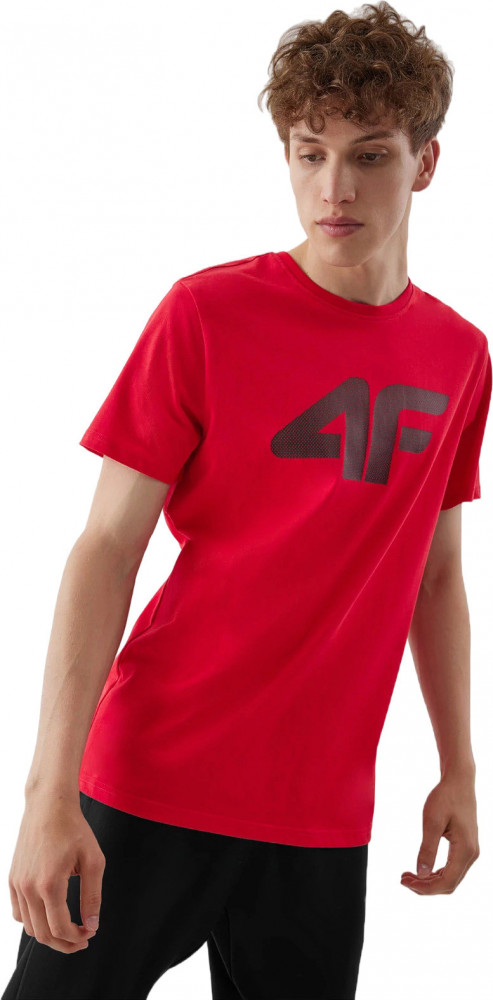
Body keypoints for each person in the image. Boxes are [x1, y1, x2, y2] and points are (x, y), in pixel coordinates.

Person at [2, 3, 491, 998]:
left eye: (369, 155)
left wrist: (458, 766)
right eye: (310, 153)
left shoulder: (459, 356)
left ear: (425, 163)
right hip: (152, 776)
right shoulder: (206, 315)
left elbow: (435, 575)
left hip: (320, 815)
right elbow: (105, 547)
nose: (334, 187)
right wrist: (49, 791)